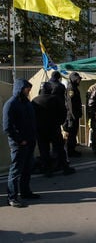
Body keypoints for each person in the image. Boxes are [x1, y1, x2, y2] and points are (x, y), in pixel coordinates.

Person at [3, 79, 38, 207]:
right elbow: (7, 127)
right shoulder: (11, 104)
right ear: (20, 88)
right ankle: (12, 197)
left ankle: (25, 192)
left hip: (29, 141)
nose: (28, 91)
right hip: (19, 144)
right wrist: (19, 140)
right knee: (16, 170)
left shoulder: (26, 102)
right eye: (27, 88)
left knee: (27, 168)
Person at [32, 82, 75, 177]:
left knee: (44, 150)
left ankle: (47, 170)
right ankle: (65, 168)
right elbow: (63, 113)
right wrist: (59, 123)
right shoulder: (55, 99)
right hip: (54, 129)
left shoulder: (35, 100)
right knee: (59, 149)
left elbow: (31, 116)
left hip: (40, 130)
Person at [63, 72, 83, 157]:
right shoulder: (71, 88)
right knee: (72, 133)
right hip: (72, 116)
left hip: (74, 115)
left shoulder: (74, 87)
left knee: (74, 133)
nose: (79, 81)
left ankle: (72, 149)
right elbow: (70, 103)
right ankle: (71, 150)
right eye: (78, 79)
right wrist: (74, 115)